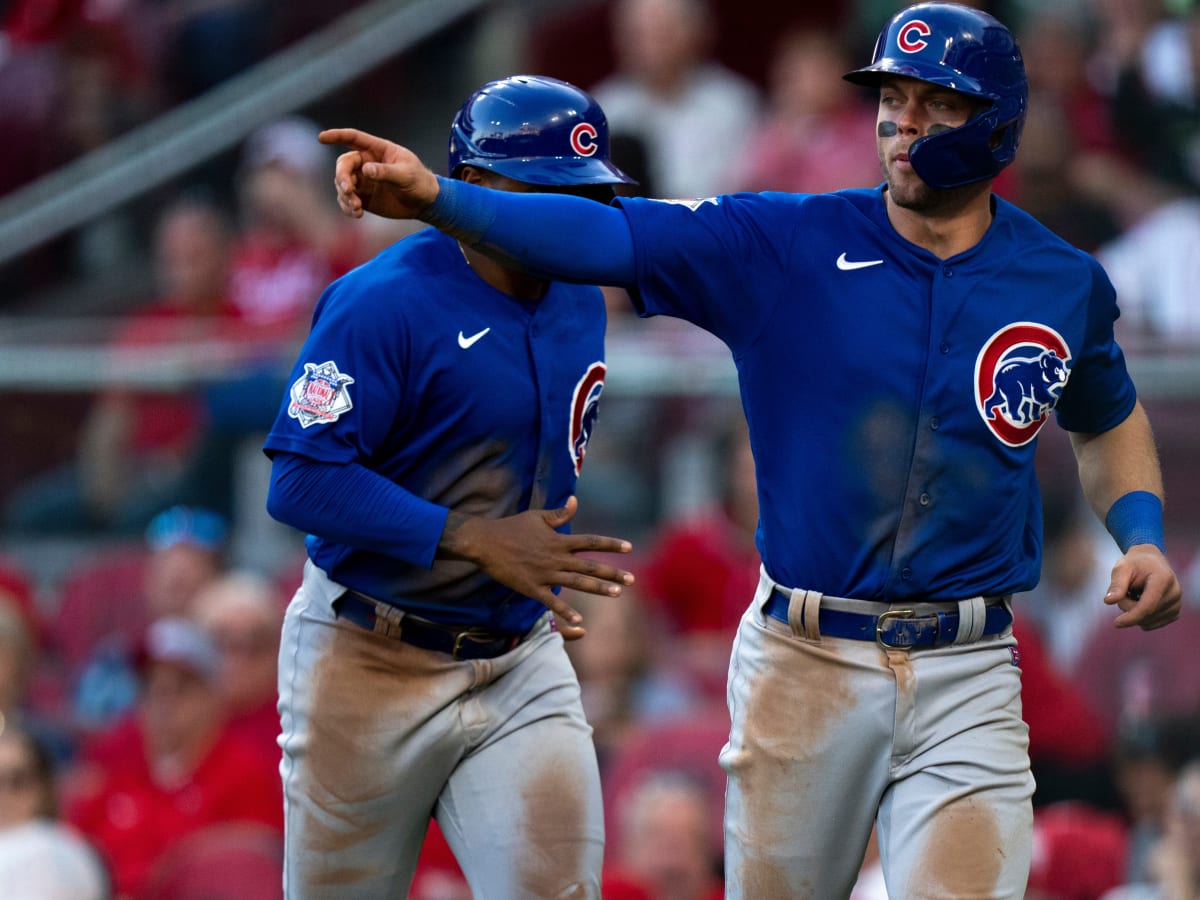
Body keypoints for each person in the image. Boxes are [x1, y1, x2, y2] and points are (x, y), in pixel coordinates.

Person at [318, 3, 1185, 896]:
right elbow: (607, 235)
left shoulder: (1063, 281)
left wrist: (1145, 535)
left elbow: (1106, 415)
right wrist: (439, 199)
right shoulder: (786, 242)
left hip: (969, 665)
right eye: (891, 96)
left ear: (999, 120)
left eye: (937, 103)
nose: (903, 121)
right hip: (808, 657)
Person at [262, 75, 638, 899]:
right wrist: (471, 536)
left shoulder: (582, 290)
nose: (569, 213)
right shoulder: (381, 302)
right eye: (547, 193)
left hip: (518, 656)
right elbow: (297, 482)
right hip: (368, 652)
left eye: (588, 193)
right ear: (478, 188)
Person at [65, 616, 283, 899]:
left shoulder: (245, 774)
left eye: (181, 687)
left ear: (213, 695)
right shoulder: (117, 766)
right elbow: (72, 856)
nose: (163, 701)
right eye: (151, 686)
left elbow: (255, 872)